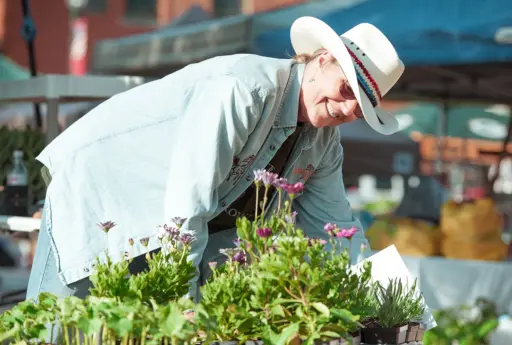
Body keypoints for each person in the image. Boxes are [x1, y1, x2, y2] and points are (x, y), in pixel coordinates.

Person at [27, 16, 405, 303]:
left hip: (162, 230)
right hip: (100, 198)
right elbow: (189, 200)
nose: (347, 107)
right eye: (346, 89)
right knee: (59, 329)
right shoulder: (243, 89)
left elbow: (334, 226)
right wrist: (184, 298)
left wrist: (387, 301)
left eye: (362, 108)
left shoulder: (325, 141)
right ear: (322, 61)